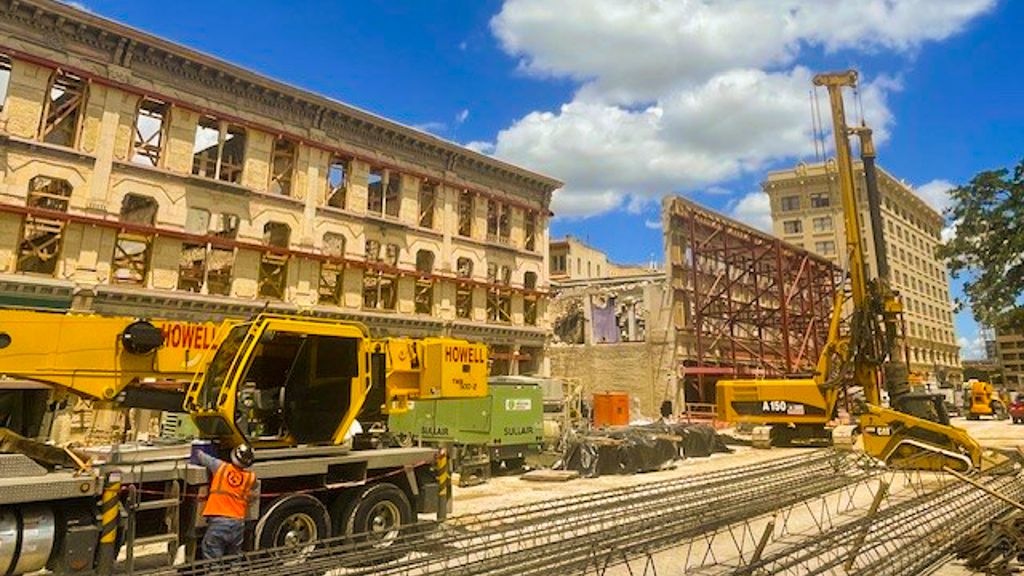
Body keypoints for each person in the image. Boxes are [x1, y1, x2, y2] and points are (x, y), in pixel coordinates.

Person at [195, 444, 256, 560]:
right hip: (238, 523)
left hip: (219, 521)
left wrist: (197, 451)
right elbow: (253, 486)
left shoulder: (221, 467)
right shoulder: (250, 477)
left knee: (213, 556)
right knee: (234, 558)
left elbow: (203, 457)